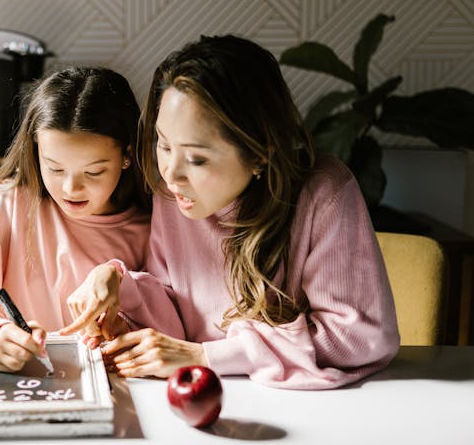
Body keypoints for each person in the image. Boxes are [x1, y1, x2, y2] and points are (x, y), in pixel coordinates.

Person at [60, 35, 400, 390]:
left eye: (196, 158)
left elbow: (359, 337)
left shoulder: (324, 193)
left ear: (260, 153)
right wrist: (117, 285)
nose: (170, 173)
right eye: (163, 143)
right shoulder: (174, 193)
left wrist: (207, 357)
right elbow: (175, 308)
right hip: (204, 399)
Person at [0, 67, 150, 373]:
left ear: (127, 155)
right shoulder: (7, 205)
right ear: (35, 150)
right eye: (55, 168)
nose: (71, 189)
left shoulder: (152, 226)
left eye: (94, 172)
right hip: (22, 381)